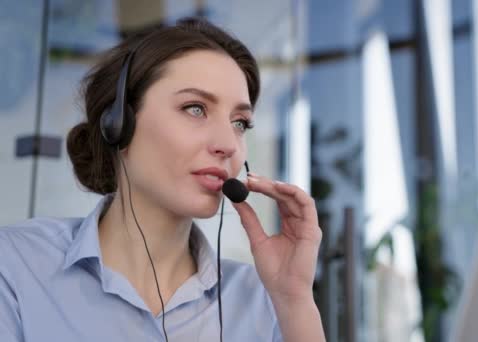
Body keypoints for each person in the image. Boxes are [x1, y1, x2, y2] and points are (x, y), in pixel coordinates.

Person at [0, 18, 324, 342]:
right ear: (119, 124)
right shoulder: (15, 265)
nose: (228, 144)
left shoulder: (264, 299)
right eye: (195, 108)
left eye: (240, 122)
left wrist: (295, 300)